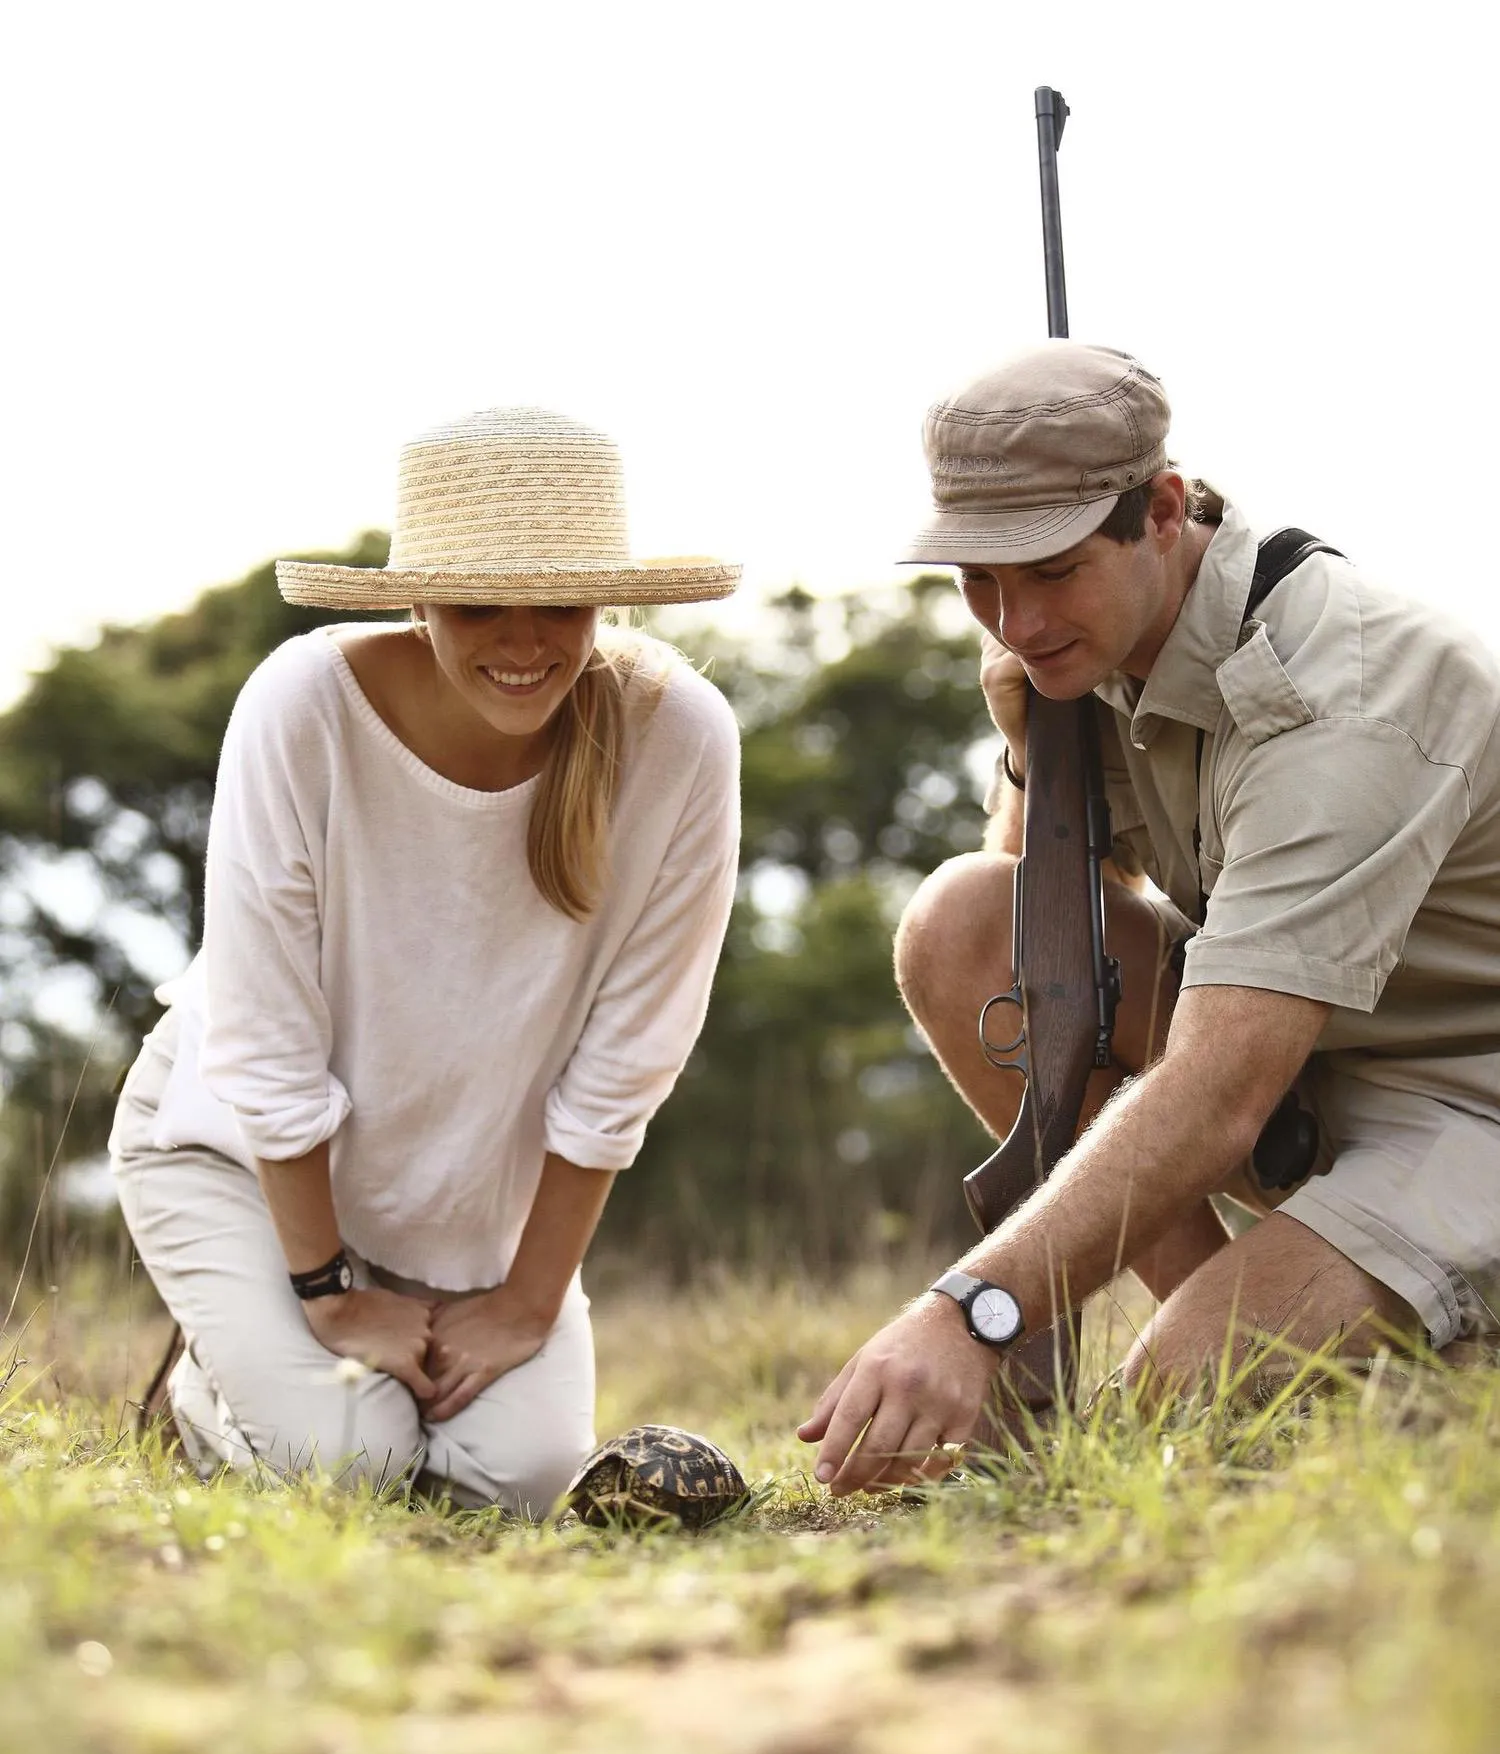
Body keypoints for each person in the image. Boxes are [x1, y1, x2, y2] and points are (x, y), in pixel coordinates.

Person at [802, 341, 1500, 1495]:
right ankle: (1287, 1328)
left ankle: (1394, 1350)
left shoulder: (1351, 692)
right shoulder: (1095, 643)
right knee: (957, 921)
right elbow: (1029, 966)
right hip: (1312, 1089)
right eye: (980, 580)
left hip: (1466, 1113)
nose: (1016, 619)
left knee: (1166, 1406)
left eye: (1052, 570)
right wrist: (1034, 751)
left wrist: (973, 1309)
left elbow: (1220, 1090)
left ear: (1165, 510)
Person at [112, 407, 741, 1514]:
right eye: (478, 603)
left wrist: (529, 1300)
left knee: (521, 1481)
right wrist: (328, 1291)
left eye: (560, 604)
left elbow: (631, 1055)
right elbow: (264, 1038)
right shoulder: (303, 705)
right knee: (348, 1463)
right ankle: (201, 1393)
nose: (524, 643)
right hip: (241, 1159)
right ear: (417, 600)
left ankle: (307, 1381)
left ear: (606, 600)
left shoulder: (681, 737)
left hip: (465, 1204)